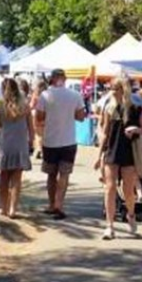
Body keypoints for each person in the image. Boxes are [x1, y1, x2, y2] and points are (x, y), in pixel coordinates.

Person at [95, 78, 142, 239]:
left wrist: (136, 129)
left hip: (129, 150)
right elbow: (104, 132)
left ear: (123, 89)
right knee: (109, 187)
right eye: (111, 88)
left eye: (115, 88)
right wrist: (99, 156)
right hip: (112, 149)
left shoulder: (136, 108)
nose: (112, 91)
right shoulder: (109, 108)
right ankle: (109, 226)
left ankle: (130, 214)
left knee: (128, 190)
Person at [36, 68, 86, 219]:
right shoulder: (75, 95)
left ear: (51, 79)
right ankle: (59, 204)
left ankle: (52, 204)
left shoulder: (44, 95)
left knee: (51, 174)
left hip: (50, 140)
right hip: (68, 141)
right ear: (65, 79)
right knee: (64, 174)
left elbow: (39, 117)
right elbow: (81, 117)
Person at [0, 78, 34, 219]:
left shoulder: (1, 107)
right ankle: (13, 209)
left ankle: (3, 207)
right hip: (20, 143)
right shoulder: (25, 106)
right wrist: (32, 142)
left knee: (3, 178)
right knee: (16, 179)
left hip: (5, 143)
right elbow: (31, 127)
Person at [30, 79, 47, 160]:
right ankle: (42, 151)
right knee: (44, 135)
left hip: (36, 115)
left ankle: (39, 150)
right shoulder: (48, 95)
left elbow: (31, 106)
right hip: (45, 116)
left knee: (38, 134)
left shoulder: (35, 95)